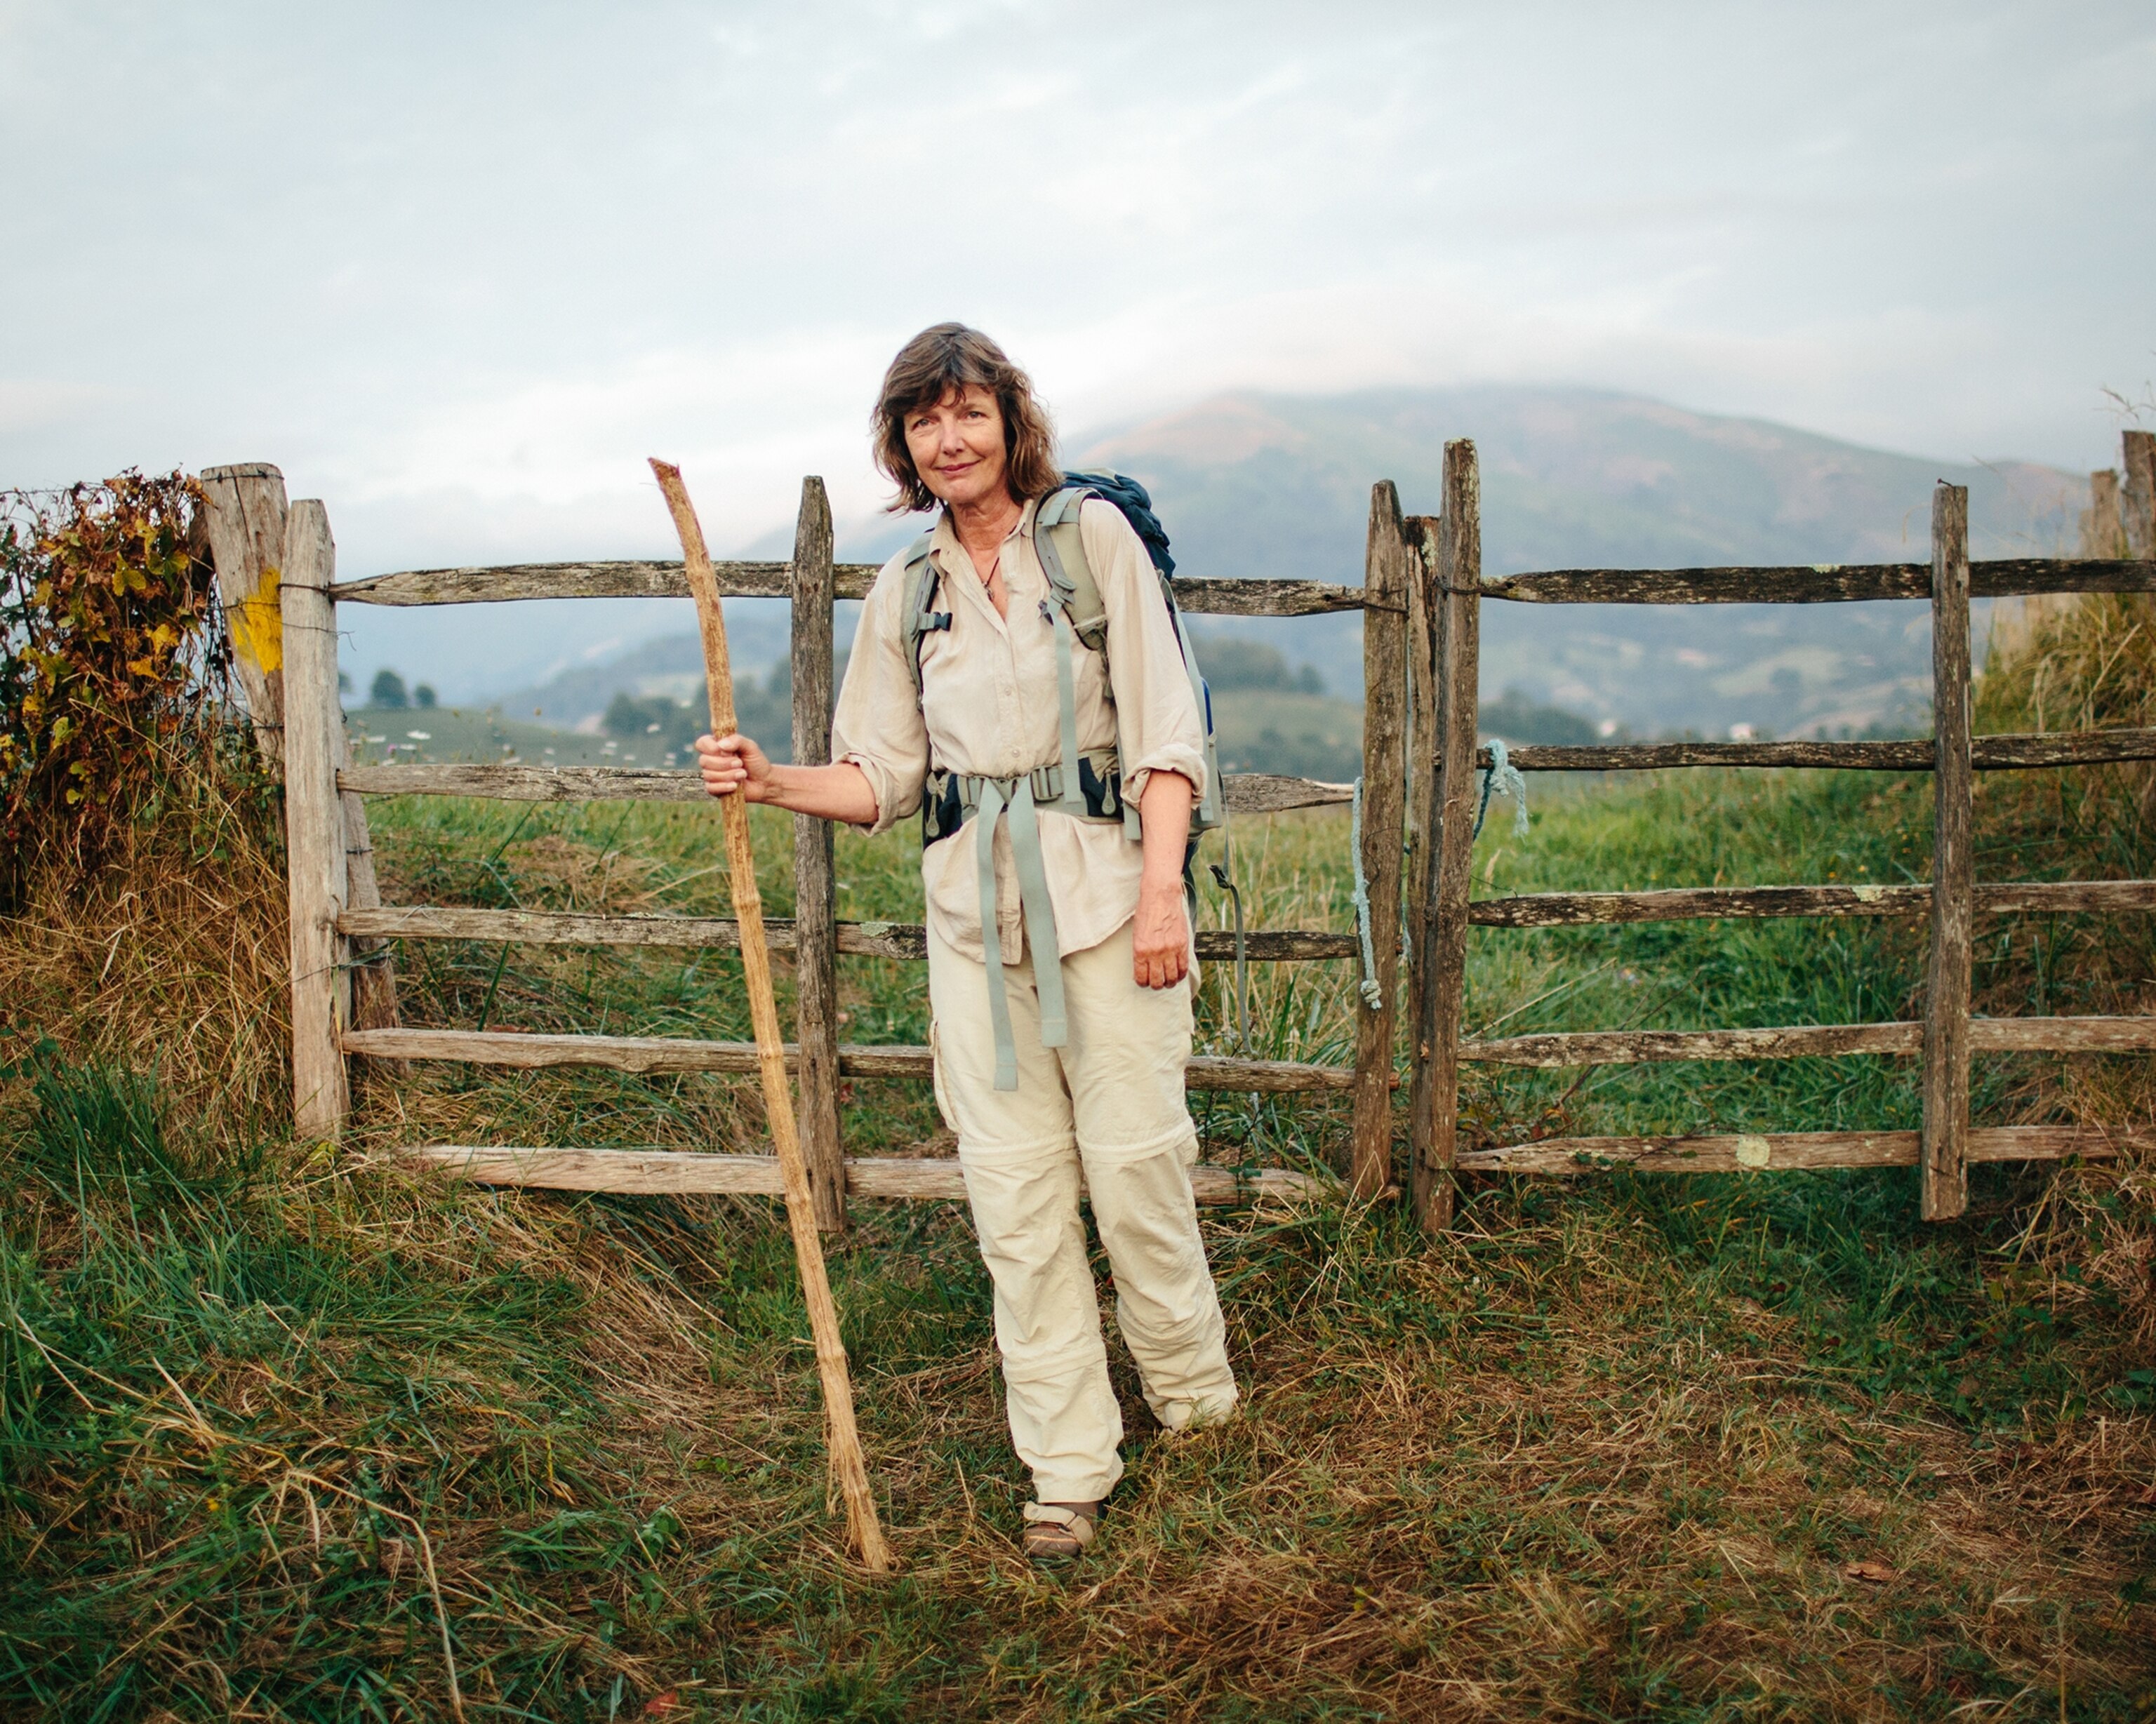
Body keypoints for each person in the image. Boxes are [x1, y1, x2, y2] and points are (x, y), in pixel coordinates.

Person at [695, 323, 1238, 1561]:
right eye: (923, 421)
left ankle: (1200, 1411)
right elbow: (881, 773)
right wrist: (772, 781)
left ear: (1010, 422)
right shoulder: (908, 592)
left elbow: (1166, 736)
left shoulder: (1089, 542)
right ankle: (1067, 1466)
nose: (949, 438)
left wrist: (1165, 897)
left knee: (1140, 1163)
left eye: (968, 413)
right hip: (970, 924)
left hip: (1108, 902)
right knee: (1017, 1198)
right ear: (902, 443)